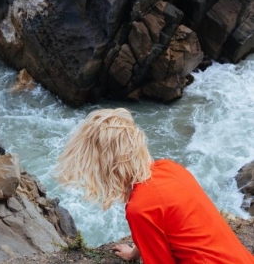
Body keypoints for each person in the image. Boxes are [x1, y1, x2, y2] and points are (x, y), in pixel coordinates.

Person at [57, 108, 254, 263]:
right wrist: (136, 252)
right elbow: (168, 223)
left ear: (105, 166)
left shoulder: (140, 209)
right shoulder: (171, 168)